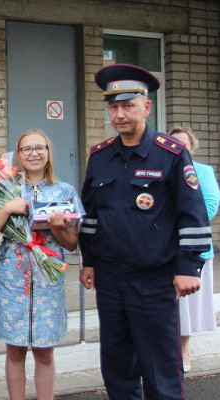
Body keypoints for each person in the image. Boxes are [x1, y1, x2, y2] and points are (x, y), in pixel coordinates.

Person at [78, 64, 212, 400]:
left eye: (127, 106)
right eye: (113, 107)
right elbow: (91, 215)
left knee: (160, 370)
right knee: (117, 367)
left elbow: (192, 213)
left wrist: (187, 266)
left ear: (146, 107)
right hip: (110, 280)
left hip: (153, 280)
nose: (119, 114)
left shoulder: (171, 154)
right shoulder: (100, 157)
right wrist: (89, 261)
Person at [0, 128, 83, 400]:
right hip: (13, 276)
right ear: (19, 154)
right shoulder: (5, 189)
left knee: (45, 350)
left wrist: (58, 229)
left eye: (40, 148)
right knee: (14, 349)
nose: (34, 153)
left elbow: (72, 244)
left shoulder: (65, 191)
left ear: (48, 154)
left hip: (48, 277)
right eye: (27, 149)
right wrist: (6, 208)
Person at [169, 126, 219, 373]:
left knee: (187, 307)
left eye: (183, 145)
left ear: (192, 147)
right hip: (162, 250)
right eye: (173, 144)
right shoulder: (161, 170)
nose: (179, 149)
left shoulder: (203, 172)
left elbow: (208, 208)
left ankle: (184, 351)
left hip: (193, 250)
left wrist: (170, 224)